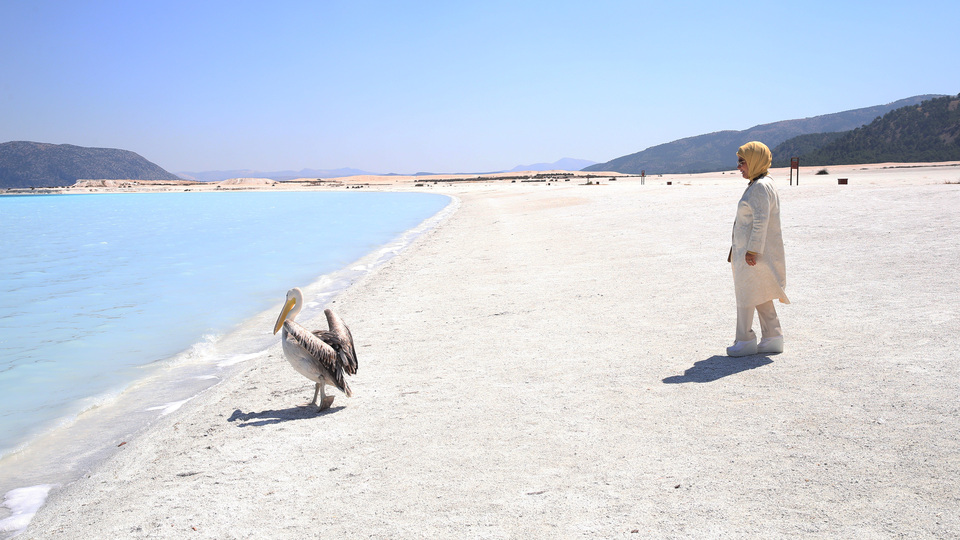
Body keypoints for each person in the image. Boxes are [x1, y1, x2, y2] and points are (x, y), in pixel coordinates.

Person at [727, 141, 789, 357]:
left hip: (751, 255)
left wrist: (752, 250)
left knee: (745, 294)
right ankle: (773, 336)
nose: (739, 166)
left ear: (755, 161)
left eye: (742, 162)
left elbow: (761, 221)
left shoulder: (761, 186)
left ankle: (744, 340)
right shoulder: (761, 183)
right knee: (760, 292)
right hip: (751, 253)